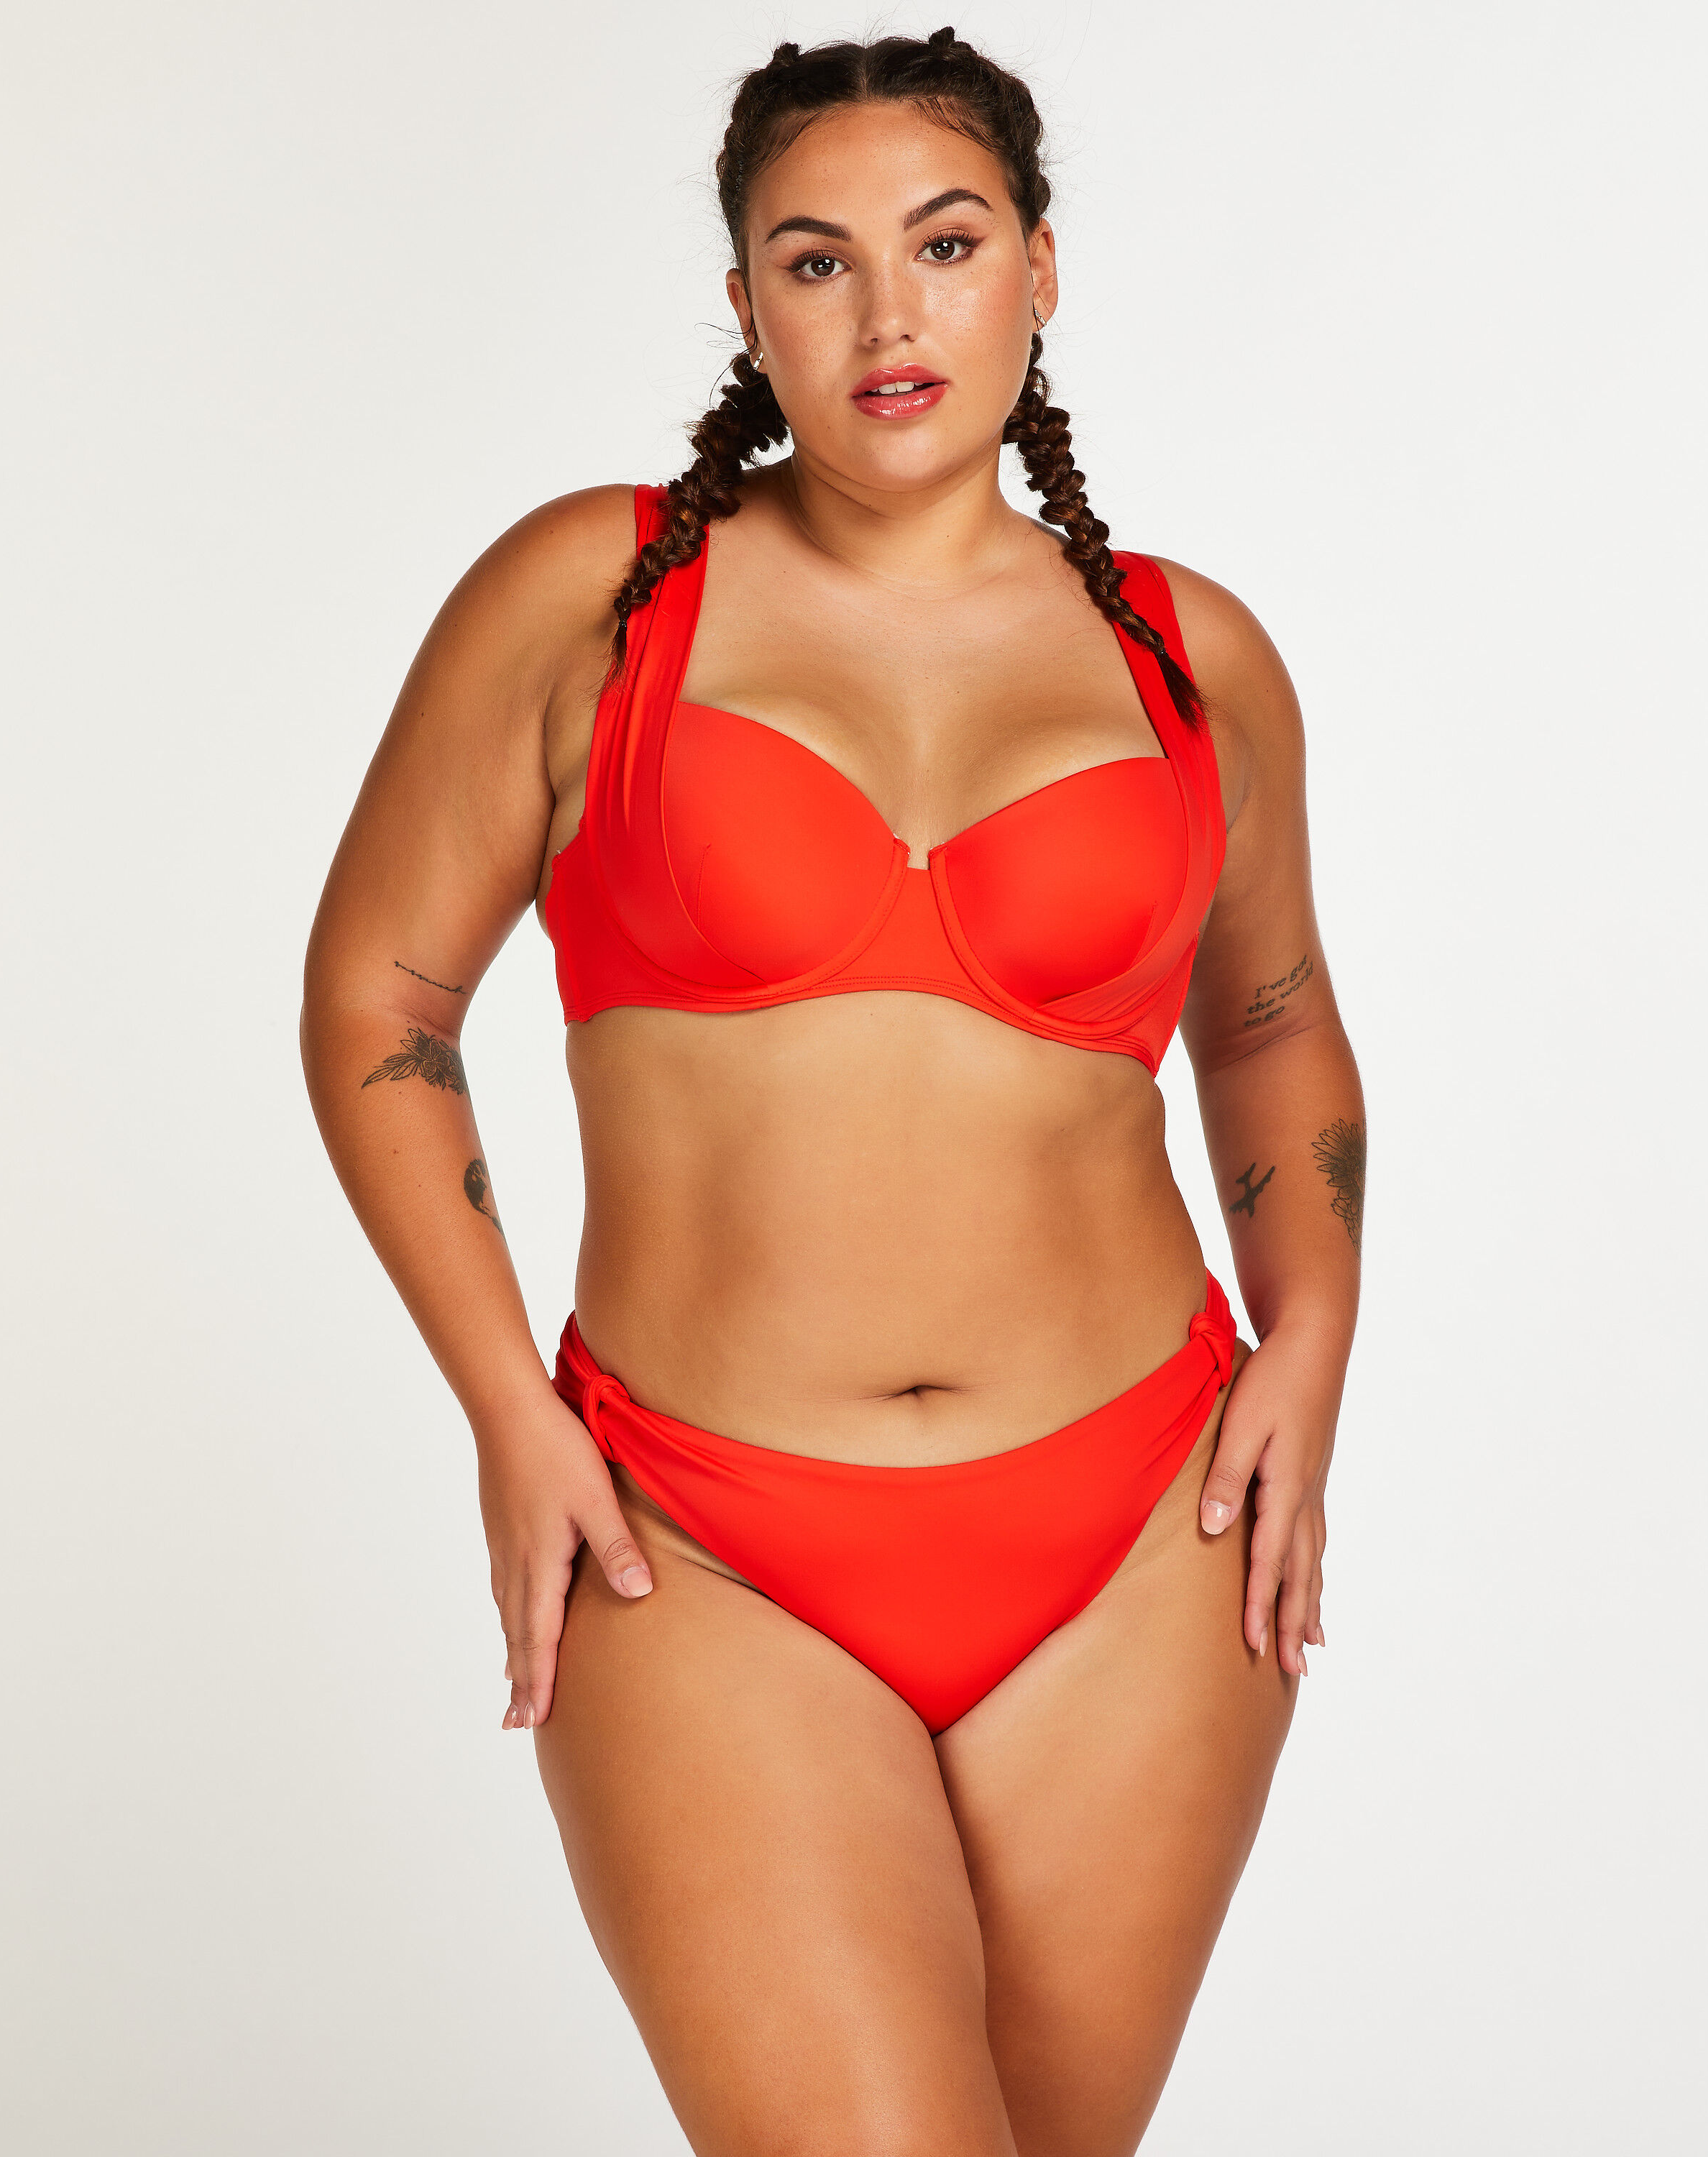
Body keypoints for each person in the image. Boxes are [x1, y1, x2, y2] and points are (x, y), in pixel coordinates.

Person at [302, 27, 1364, 2155]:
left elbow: (1266, 1028)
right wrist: (509, 1412)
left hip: (1144, 1538)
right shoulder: (594, 599)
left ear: (1039, 270)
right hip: (696, 1543)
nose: (888, 315)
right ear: (746, 305)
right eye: (816, 260)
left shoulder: (1191, 658)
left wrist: (1314, 1340)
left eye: (945, 245)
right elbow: (378, 1000)